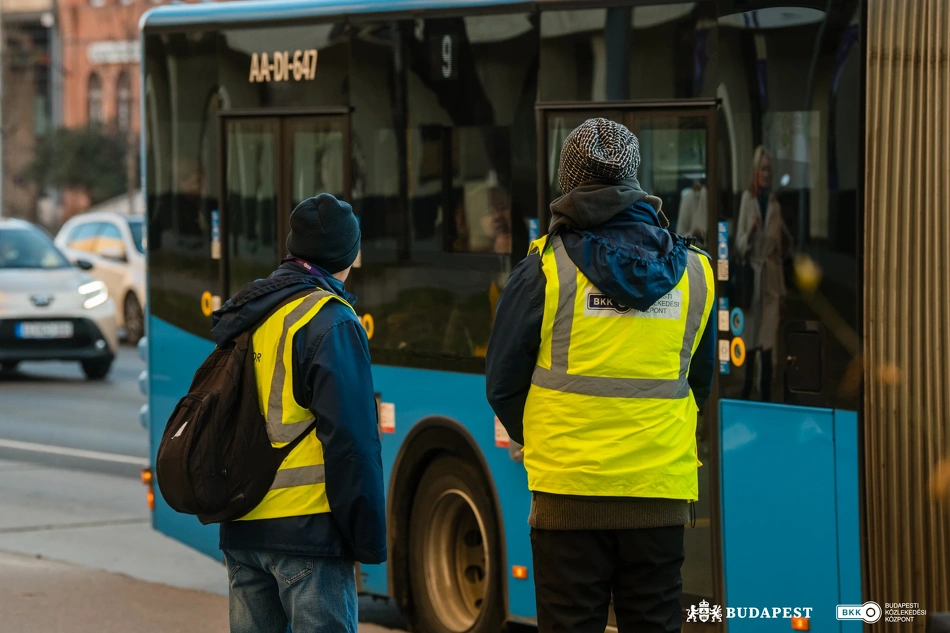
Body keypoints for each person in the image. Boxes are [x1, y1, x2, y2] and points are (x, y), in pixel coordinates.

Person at [486, 118, 716, 633]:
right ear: (634, 180)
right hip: (658, 498)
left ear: (570, 182)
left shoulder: (544, 269)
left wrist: (544, 438)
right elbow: (697, 384)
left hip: (568, 499)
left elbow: (502, 383)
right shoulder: (695, 272)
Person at [210, 193, 386, 633]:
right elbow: (352, 443)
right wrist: (366, 538)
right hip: (307, 536)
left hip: (243, 525)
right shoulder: (332, 321)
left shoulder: (252, 309)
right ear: (350, 253)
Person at [736, 146, 787, 402]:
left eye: (769, 170)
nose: (766, 174)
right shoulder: (747, 199)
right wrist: (752, 231)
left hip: (771, 283)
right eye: (763, 169)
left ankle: (765, 393)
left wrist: (783, 289)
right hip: (752, 279)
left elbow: (777, 252)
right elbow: (739, 245)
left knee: (768, 342)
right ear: (755, 172)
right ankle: (746, 391)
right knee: (751, 339)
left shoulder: (775, 205)